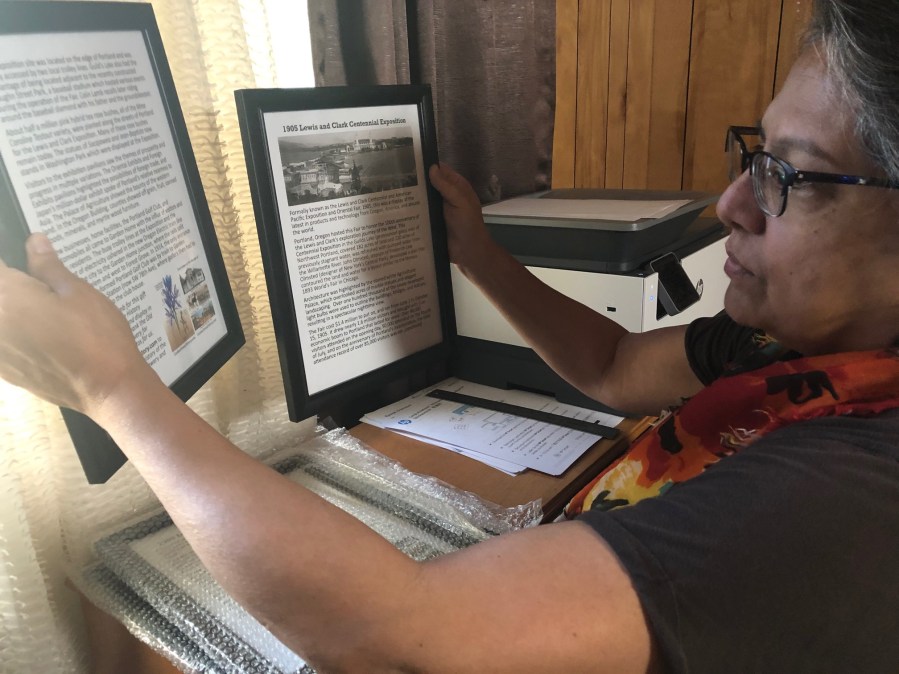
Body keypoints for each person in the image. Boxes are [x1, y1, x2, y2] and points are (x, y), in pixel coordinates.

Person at [1, 0, 898, 670]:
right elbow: (619, 364)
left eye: (795, 178)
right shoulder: (795, 354)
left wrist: (115, 392)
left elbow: (404, 640)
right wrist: (480, 257)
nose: (731, 203)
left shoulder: (844, 498)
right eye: (757, 155)